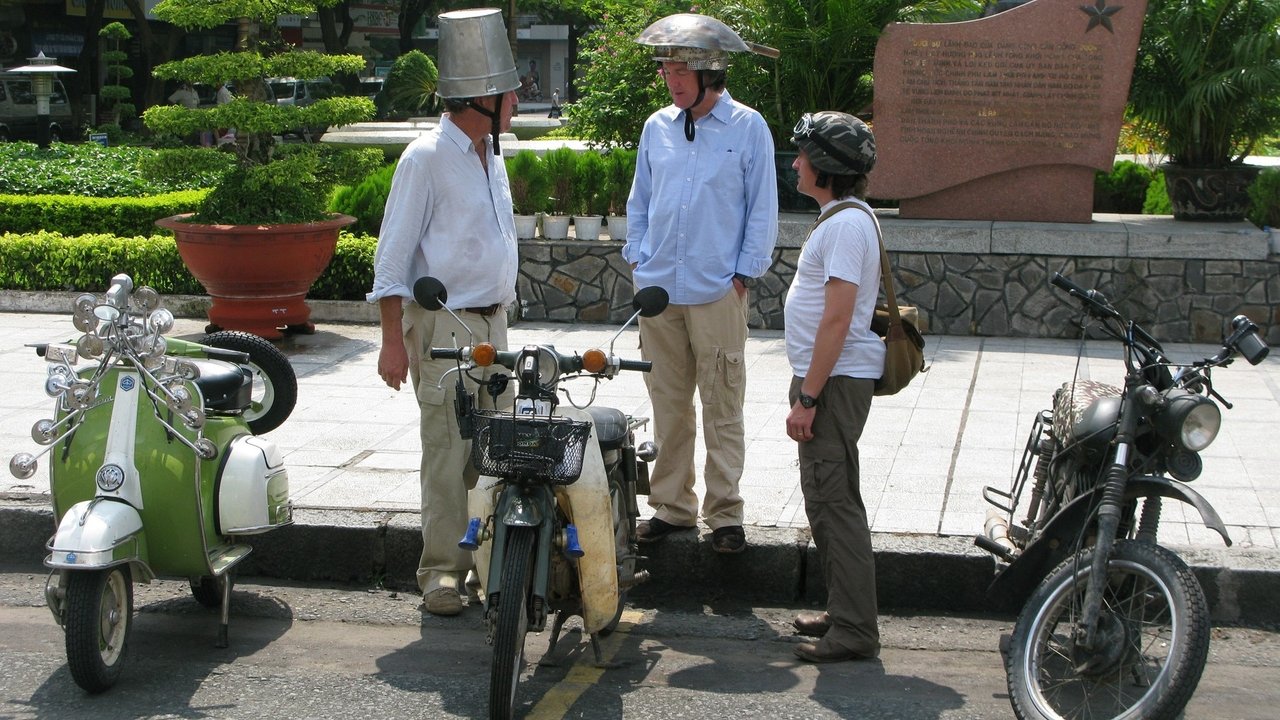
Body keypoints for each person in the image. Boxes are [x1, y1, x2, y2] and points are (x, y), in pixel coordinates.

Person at [366, 7, 522, 617]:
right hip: (442, 324)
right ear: (482, 98)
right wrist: (392, 341)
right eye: (510, 92)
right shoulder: (425, 158)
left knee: (497, 450)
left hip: (494, 323)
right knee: (448, 450)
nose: (517, 101)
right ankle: (442, 573)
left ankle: (487, 561)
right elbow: (392, 259)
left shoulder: (492, 153)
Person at [625, 13, 778, 554]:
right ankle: (672, 506)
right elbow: (639, 201)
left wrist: (743, 274)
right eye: (667, 67)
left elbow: (762, 208)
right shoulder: (656, 127)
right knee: (667, 404)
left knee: (722, 403)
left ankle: (725, 513)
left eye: (681, 67)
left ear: (711, 69)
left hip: (717, 289)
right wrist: (637, 260)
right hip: (659, 288)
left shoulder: (748, 126)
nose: (671, 78)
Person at [782, 111, 884, 663]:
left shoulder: (845, 225)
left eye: (802, 156)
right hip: (831, 379)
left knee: (833, 501)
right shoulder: (844, 217)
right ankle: (844, 609)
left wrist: (808, 397)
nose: (795, 164)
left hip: (833, 383)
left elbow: (838, 319)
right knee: (828, 498)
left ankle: (855, 630)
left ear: (824, 167)